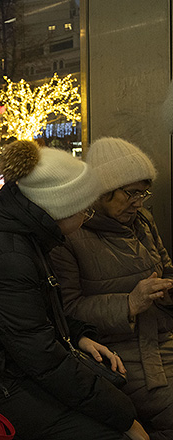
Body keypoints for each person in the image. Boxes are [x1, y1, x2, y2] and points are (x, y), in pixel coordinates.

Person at [0, 140, 147, 440]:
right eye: (84, 211)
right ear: (58, 210)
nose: (87, 218)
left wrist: (78, 335)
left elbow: (31, 321)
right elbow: (42, 358)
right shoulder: (9, 256)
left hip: (13, 370)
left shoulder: (25, 240)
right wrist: (124, 416)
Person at [50, 137, 173, 439]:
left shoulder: (141, 221)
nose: (139, 201)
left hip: (164, 338)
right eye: (131, 193)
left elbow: (165, 267)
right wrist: (129, 303)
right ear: (102, 191)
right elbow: (66, 310)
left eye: (144, 193)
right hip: (122, 357)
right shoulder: (69, 234)